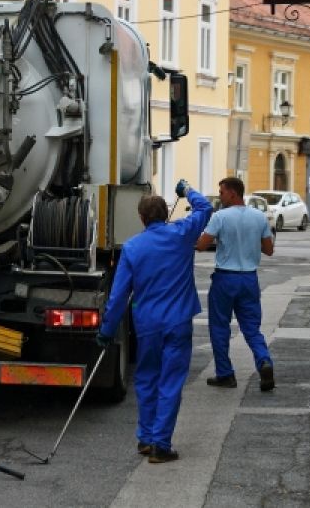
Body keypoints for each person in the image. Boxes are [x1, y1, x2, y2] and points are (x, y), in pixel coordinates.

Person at [97, 180, 213, 464]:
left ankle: (146, 438)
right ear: (166, 214)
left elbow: (118, 296)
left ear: (141, 218)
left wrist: (107, 331)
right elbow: (205, 208)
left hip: (147, 324)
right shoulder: (182, 233)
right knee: (170, 382)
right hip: (178, 322)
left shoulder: (132, 247)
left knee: (147, 379)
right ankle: (161, 444)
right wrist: (187, 191)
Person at [195, 177, 276, 392]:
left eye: (222, 192)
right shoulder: (259, 217)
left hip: (225, 279)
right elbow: (269, 249)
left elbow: (202, 245)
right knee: (251, 328)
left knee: (219, 327)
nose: (220, 196)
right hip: (249, 279)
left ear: (232, 193)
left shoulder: (220, 216)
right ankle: (264, 361)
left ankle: (225, 374)